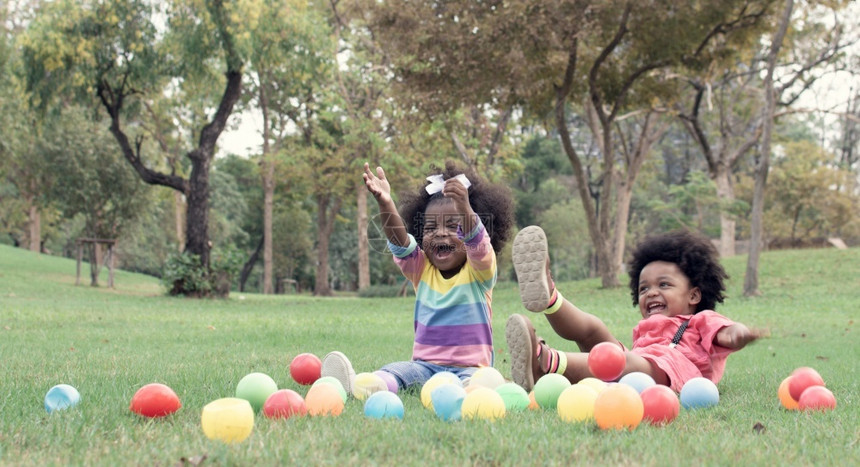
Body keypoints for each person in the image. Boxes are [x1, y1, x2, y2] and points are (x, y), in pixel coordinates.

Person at [321, 161, 514, 394]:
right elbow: (399, 243)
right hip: (424, 368)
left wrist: (464, 207)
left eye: (454, 226)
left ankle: (472, 391)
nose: (440, 232)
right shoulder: (421, 269)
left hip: (470, 369)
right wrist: (386, 202)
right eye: (430, 228)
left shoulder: (480, 271)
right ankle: (361, 386)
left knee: (483, 380)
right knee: (396, 371)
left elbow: (478, 242)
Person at [506, 226, 761, 392]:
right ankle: (549, 297)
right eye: (643, 289)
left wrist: (738, 334)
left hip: (671, 374)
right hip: (634, 367)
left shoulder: (700, 320)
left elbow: (725, 332)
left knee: (620, 359)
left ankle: (545, 362)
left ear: (694, 294)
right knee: (595, 331)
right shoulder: (647, 329)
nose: (651, 293)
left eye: (664, 284)